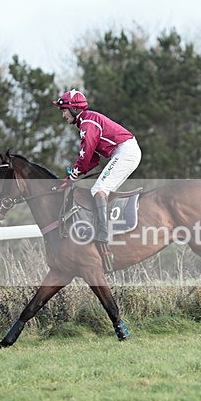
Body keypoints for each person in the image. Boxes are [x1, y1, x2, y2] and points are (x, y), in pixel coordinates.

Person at [53, 89, 142, 271]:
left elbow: (85, 158)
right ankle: (111, 228)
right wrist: (73, 176)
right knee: (102, 190)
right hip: (125, 151)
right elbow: (92, 159)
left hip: (125, 151)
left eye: (64, 110)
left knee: (98, 190)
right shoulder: (86, 122)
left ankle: (103, 235)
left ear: (74, 109)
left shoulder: (88, 122)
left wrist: (73, 176)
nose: (63, 115)